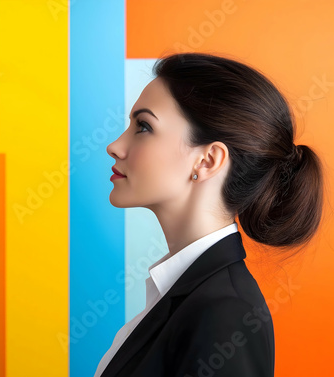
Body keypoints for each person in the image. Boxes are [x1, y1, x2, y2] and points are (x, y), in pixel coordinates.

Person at [96, 52, 324, 377]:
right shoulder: (190, 295)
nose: (115, 146)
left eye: (143, 126)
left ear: (207, 160)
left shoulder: (226, 314)